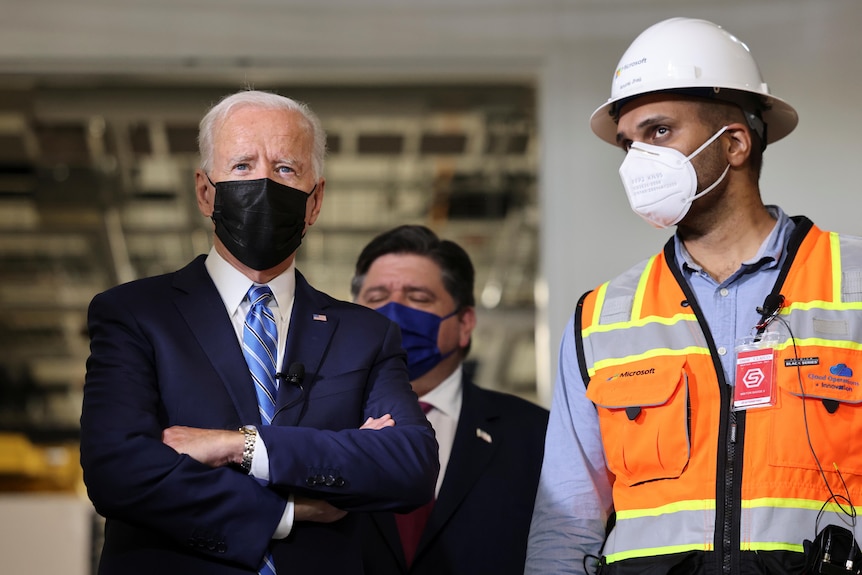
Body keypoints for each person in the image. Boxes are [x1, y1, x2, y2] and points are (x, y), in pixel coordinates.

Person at [526, 17, 862, 575]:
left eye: (658, 132)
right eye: (626, 143)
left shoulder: (854, 283)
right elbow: (567, 520)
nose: (637, 162)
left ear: (733, 143)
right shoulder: (601, 318)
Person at [79, 90, 439, 575]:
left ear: (315, 202)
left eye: (286, 168)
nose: (265, 182)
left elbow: (409, 466)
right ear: (206, 192)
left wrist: (240, 446)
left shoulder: (366, 335)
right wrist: (288, 512)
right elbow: (118, 472)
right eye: (243, 165)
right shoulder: (135, 314)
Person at [351, 224, 549, 575]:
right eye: (376, 297)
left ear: (465, 323)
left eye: (418, 298)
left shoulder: (538, 434)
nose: (393, 313)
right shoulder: (315, 426)